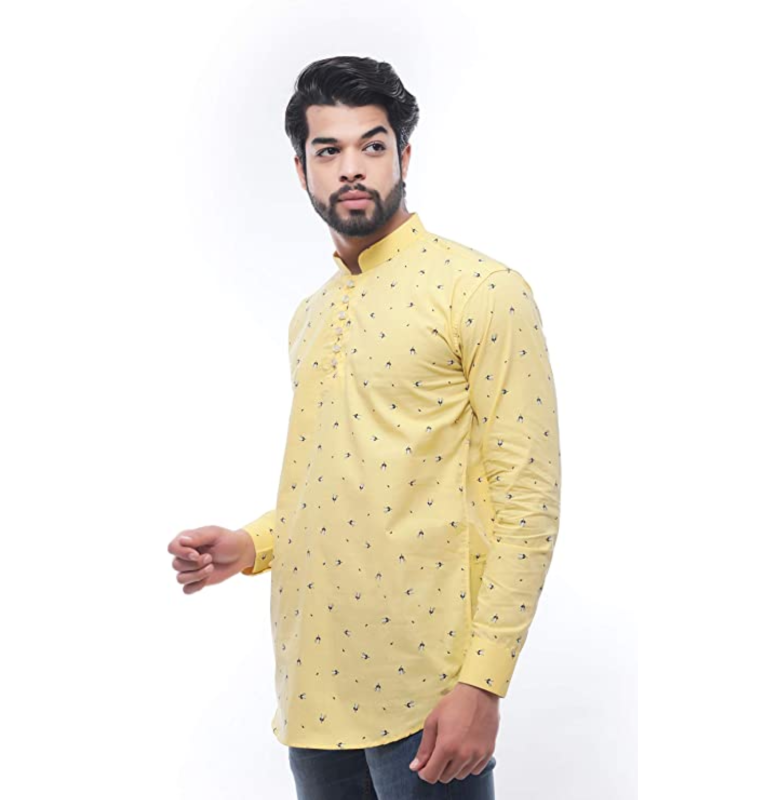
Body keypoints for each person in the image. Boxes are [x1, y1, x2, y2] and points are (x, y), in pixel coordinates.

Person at [167, 55, 562, 799]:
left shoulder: (483, 290)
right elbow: (341, 482)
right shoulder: (309, 315)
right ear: (302, 170)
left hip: (430, 696)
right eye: (329, 150)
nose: (352, 167)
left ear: (403, 156)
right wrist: (250, 545)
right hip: (311, 696)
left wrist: (483, 684)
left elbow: (527, 502)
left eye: (372, 145)